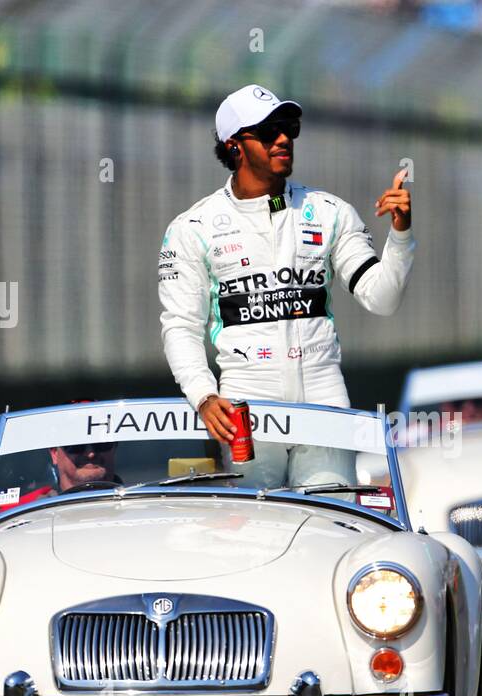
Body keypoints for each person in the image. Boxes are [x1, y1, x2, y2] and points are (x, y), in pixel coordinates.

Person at [159, 84, 415, 487]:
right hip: (246, 410)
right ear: (234, 146)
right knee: (253, 538)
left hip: (324, 403)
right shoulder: (193, 227)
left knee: (330, 530)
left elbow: (381, 299)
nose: (283, 139)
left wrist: (400, 235)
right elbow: (181, 326)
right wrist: (204, 396)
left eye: (289, 128)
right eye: (267, 131)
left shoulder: (329, 212)